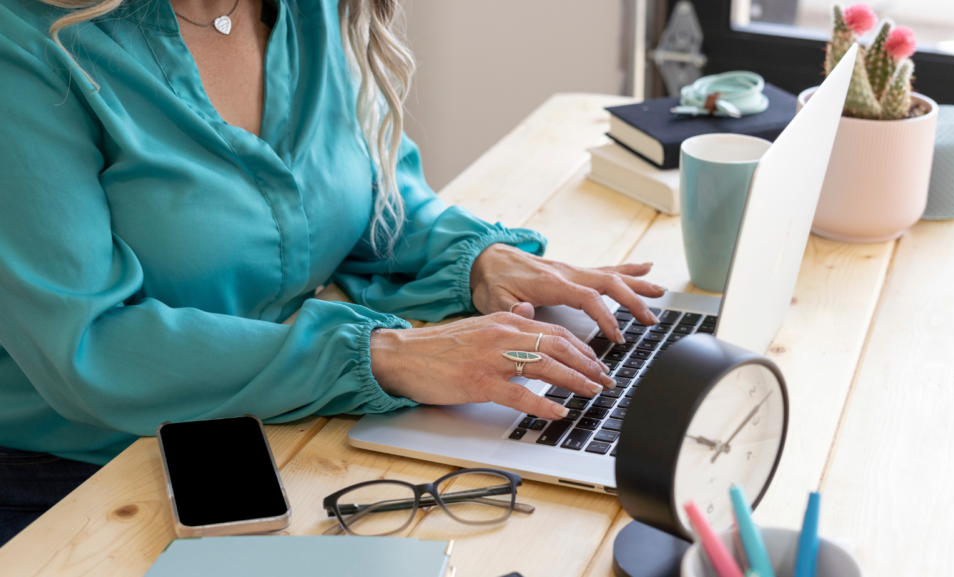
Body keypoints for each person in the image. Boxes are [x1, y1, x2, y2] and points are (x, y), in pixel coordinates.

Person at [0, 0, 666, 545]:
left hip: (271, 422)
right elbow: (90, 344)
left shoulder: (312, 11)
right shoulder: (27, 47)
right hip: (78, 475)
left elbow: (365, 195)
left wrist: (479, 260)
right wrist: (383, 355)